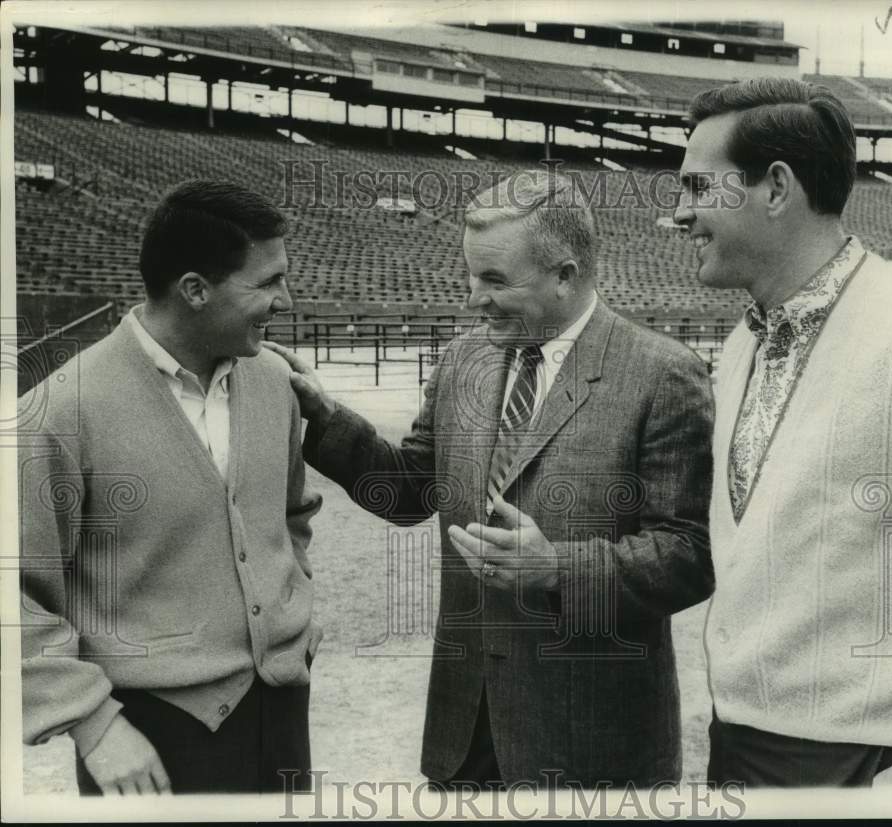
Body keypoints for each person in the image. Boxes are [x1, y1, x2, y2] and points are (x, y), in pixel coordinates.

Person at [266, 170, 714, 788]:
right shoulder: (463, 358)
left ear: (565, 274)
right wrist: (322, 418)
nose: (474, 298)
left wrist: (556, 566)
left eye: (496, 281)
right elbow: (406, 491)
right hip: (465, 731)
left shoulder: (664, 376)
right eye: (471, 276)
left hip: (590, 743)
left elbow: (690, 555)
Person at [673, 77, 892, 787]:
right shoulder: (741, 346)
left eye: (700, 188)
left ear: (775, 188)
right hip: (740, 745)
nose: (681, 213)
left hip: (872, 761)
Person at [18, 180, 323, 795]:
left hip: (281, 708)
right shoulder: (59, 411)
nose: (284, 300)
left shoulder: (274, 383)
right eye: (266, 283)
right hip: (148, 735)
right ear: (195, 290)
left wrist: (295, 614)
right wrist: (93, 725)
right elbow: (13, 592)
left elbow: (291, 517)